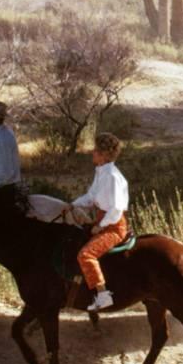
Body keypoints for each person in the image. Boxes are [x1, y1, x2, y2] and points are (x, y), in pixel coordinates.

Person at [70, 133, 130, 312]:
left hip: (113, 226)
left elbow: (116, 209)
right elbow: (90, 197)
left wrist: (100, 226)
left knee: (86, 255)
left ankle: (103, 295)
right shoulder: (101, 172)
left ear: (104, 155)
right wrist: (71, 205)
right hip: (101, 220)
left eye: (96, 150)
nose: (92, 152)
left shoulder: (112, 176)